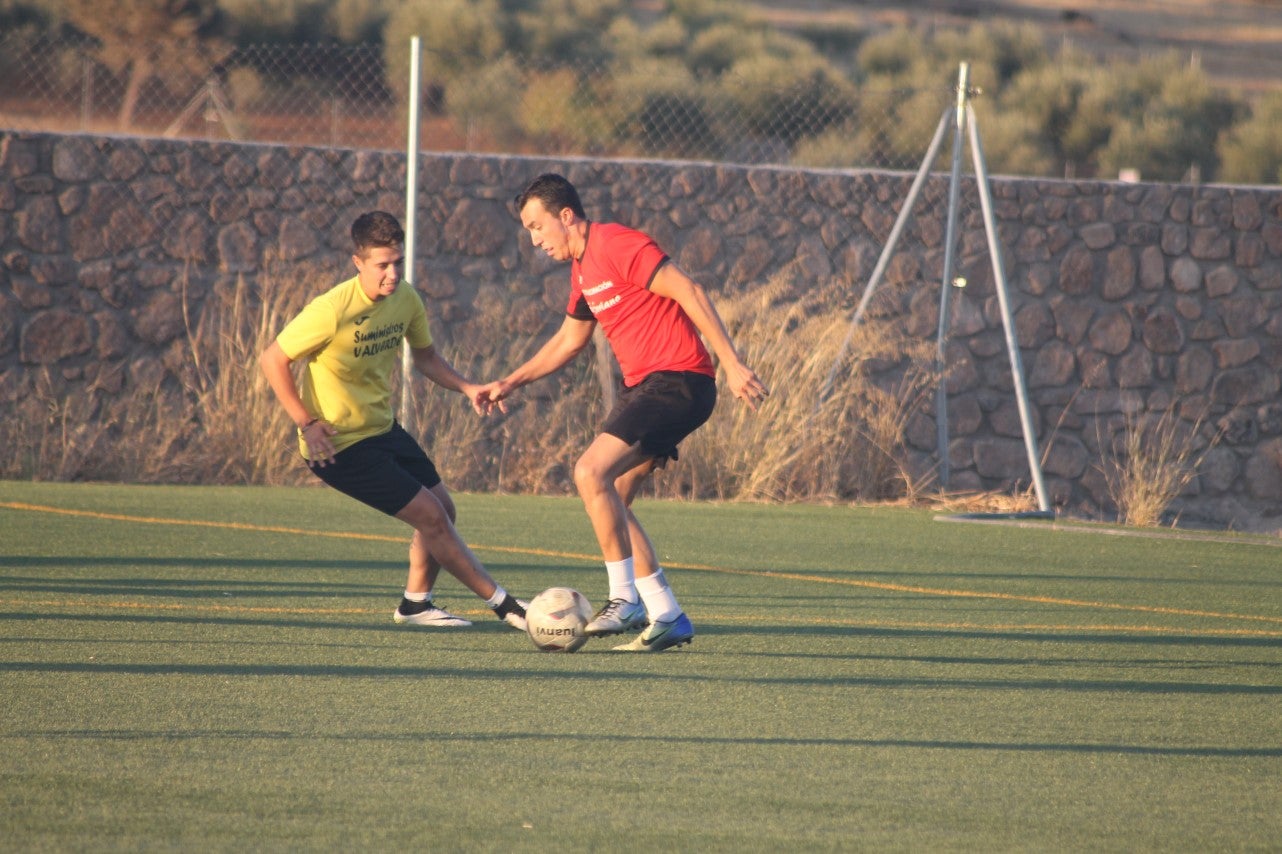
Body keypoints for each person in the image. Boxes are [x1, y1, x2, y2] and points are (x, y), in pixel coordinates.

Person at [485, 173, 768, 652]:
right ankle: (667, 614)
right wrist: (510, 381)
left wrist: (733, 363)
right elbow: (570, 341)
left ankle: (625, 599)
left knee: (589, 471)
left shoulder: (616, 243)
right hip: (648, 388)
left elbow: (690, 290)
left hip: (677, 380)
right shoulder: (581, 272)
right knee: (614, 494)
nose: (534, 240)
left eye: (537, 226)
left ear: (566, 216)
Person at [259, 210, 527, 631]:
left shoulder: (406, 300)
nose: (392, 273)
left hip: (382, 429)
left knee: (444, 510)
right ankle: (506, 606)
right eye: (382, 265)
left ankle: (416, 604)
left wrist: (468, 387)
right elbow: (273, 359)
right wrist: (306, 422)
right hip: (338, 445)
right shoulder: (331, 309)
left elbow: (426, 358)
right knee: (431, 517)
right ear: (358, 262)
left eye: (398, 262)